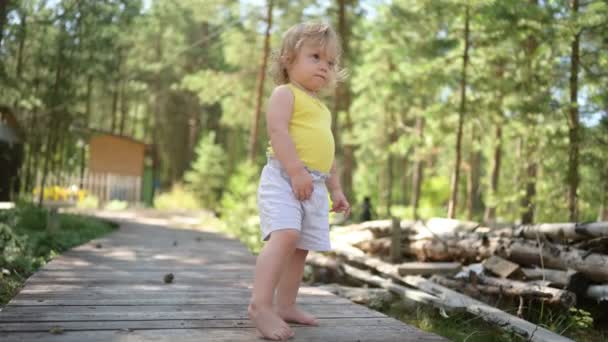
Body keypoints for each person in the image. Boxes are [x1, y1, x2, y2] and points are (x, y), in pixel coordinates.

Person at [248, 22, 350, 341]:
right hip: (285, 175)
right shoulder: (285, 94)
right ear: (288, 59)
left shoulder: (321, 109)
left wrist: (336, 188)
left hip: (314, 183)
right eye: (315, 56)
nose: (324, 66)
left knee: (301, 247)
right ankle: (261, 306)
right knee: (286, 234)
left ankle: (287, 305)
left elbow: (327, 152)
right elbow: (278, 132)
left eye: (330, 62)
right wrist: (295, 171)